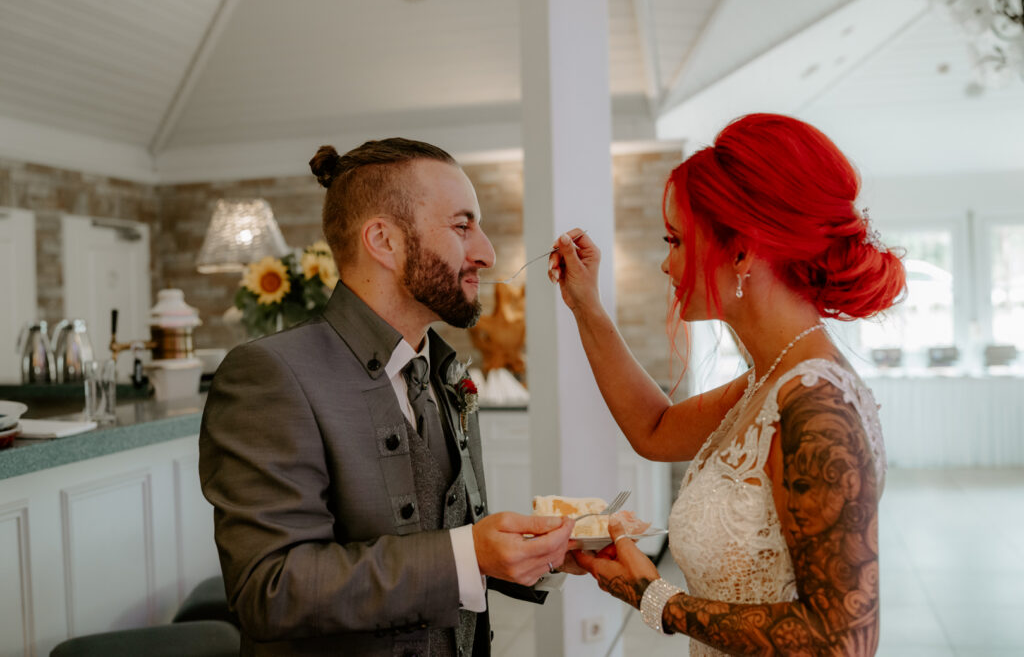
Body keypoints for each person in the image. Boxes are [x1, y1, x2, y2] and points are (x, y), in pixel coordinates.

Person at [199, 137, 574, 656]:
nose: (486, 254)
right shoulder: (268, 375)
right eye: (462, 226)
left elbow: (450, 536)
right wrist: (468, 554)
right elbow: (271, 588)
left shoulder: (442, 370)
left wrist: (536, 554)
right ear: (383, 240)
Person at [547, 113, 904, 656]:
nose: (666, 265)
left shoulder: (814, 400)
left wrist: (653, 598)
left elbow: (841, 640)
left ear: (741, 250)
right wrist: (585, 306)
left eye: (675, 241)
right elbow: (655, 429)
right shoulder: (771, 377)